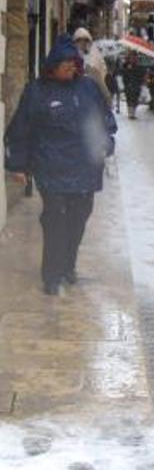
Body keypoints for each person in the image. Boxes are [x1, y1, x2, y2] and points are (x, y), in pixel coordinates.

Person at [3, 34, 117, 295]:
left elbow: (105, 122)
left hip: (84, 169)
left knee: (79, 217)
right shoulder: (37, 92)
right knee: (55, 219)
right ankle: (52, 275)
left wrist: (105, 144)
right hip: (51, 167)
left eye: (74, 63)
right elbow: (21, 129)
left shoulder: (88, 88)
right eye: (65, 63)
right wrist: (18, 165)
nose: (70, 67)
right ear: (52, 65)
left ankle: (68, 265)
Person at [73, 27, 112, 105]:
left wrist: (106, 95)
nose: (82, 44)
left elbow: (99, 74)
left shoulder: (94, 56)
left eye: (85, 41)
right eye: (79, 41)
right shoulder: (70, 56)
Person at [119, 50, 147, 119]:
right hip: (128, 84)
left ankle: (132, 113)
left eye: (135, 57)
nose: (134, 58)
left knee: (135, 99)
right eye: (132, 57)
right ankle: (130, 114)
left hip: (136, 84)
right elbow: (122, 73)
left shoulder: (139, 65)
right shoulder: (125, 65)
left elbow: (141, 74)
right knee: (129, 98)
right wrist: (128, 69)